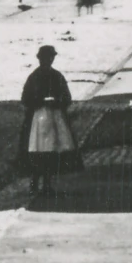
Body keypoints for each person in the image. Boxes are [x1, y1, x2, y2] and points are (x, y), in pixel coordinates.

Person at [19, 45, 77, 200]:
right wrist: (41, 101)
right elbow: (26, 99)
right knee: (36, 150)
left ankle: (47, 184)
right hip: (37, 120)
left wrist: (56, 102)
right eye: (45, 57)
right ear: (40, 59)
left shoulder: (57, 76)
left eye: (51, 57)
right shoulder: (34, 77)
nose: (48, 60)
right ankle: (34, 183)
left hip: (54, 119)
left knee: (51, 151)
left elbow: (67, 98)